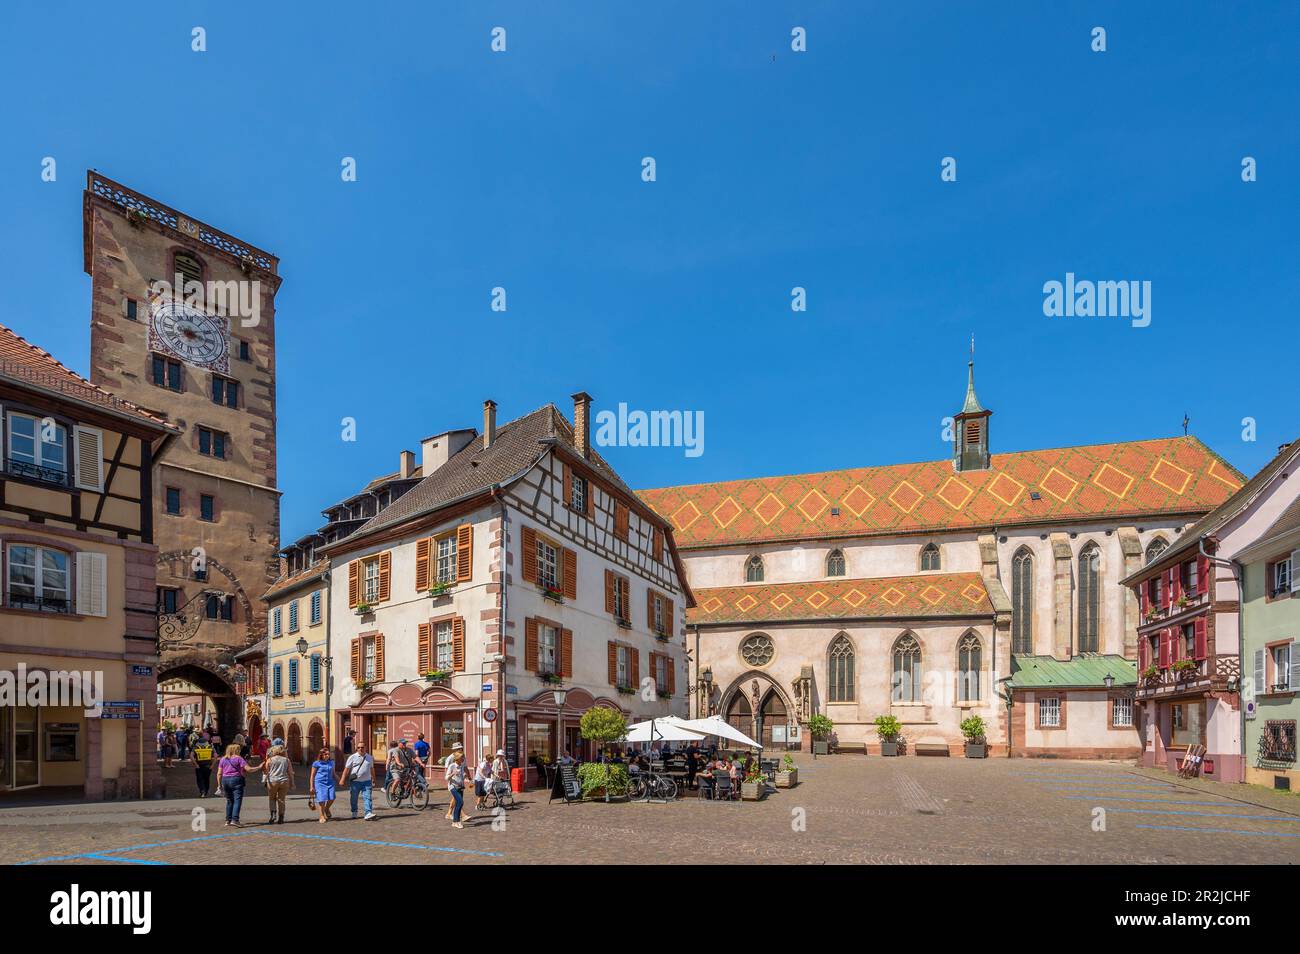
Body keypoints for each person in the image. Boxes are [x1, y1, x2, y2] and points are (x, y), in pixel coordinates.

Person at [217, 743, 260, 827]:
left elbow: (219, 773)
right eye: (238, 749)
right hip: (236, 779)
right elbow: (249, 769)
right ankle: (235, 819)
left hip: (225, 780)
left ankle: (228, 820)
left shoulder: (223, 759)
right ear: (236, 750)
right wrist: (258, 767)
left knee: (229, 801)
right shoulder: (239, 759)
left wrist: (219, 785)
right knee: (237, 800)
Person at [340, 741, 376, 820]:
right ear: (357, 748)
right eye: (359, 747)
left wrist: (374, 779)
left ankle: (368, 813)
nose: (360, 749)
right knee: (354, 798)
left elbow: (372, 769)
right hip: (355, 782)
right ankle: (354, 811)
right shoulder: (352, 757)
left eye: (362, 747)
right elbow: (346, 769)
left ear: (365, 748)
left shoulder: (370, 757)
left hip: (367, 781)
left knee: (367, 797)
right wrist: (342, 779)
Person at [264, 742, 294, 824]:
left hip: (272, 781)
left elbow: (266, 772)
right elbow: (290, 772)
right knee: (281, 799)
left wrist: (264, 781)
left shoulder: (269, 760)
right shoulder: (286, 760)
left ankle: (273, 814)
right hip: (284, 781)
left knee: (272, 798)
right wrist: (292, 783)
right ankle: (281, 817)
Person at [444, 748, 471, 829]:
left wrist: (465, 776)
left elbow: (461, 776)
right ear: (458, 758)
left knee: (459, 803)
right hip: (453, 786)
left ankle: (456, 822)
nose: (463, 759)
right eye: (462, 757)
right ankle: (456, 821)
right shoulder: (452, 766)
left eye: (463, 757)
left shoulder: (461, 766)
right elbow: (446, 778)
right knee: (460, 801)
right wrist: (453, 773)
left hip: (460, 786)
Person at [309, 747, 336, 823]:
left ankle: (327, 808)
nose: (327, 755)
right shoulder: (316, 763)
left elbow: (333, 773)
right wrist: (311, 786)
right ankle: (321, 816)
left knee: (332, 797)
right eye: (325, 754)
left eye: (328, 754)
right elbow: (312, 776)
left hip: (330, 782)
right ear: (321, 755)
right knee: (321, 799)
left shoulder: (331, 762)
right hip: (320, 783)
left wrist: (340, 780)